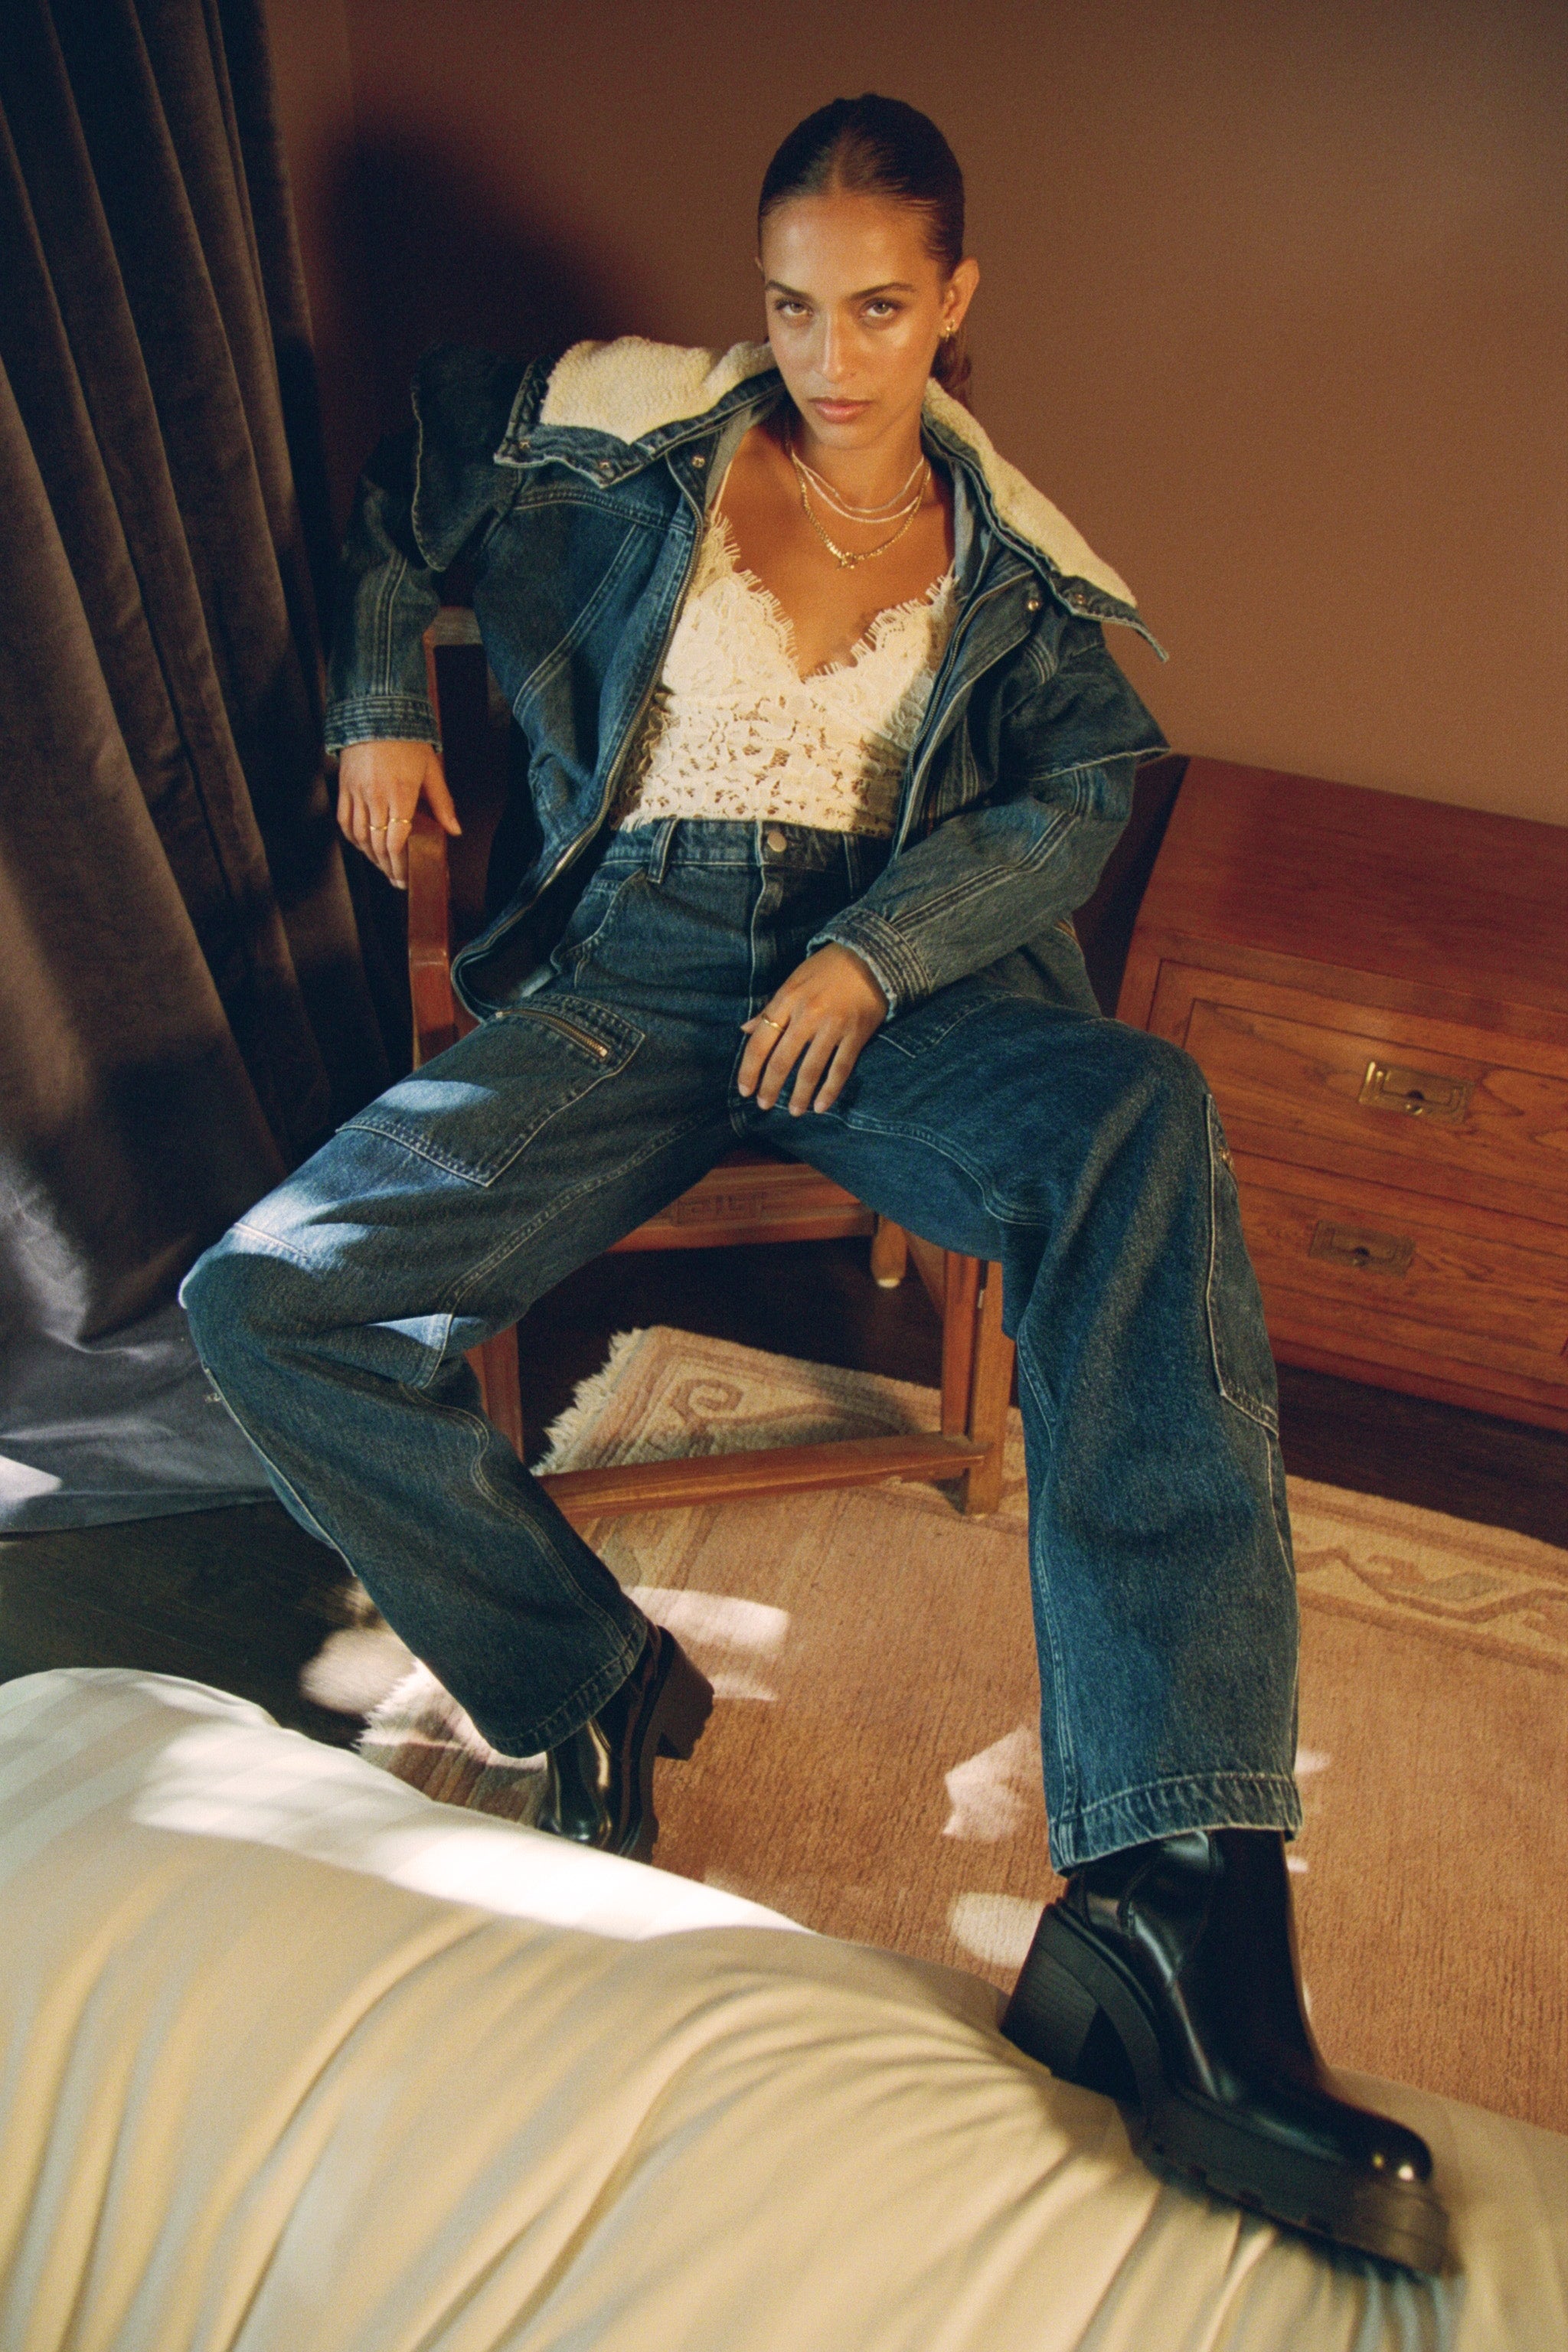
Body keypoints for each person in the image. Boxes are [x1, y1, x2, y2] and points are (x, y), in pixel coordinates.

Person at [181, 96, 1445, 2271]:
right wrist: (377, 699)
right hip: (634, 980)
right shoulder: (617, 441)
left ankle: (1172, 1898)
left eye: (878, 307)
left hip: (899, 990)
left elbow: (1078, 796)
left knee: (1138, 1112)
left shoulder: (1015, 562)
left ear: (955, 300)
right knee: (255, 1299)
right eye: (791, 303)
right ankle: (583, 1677)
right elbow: (412, 488)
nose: (831, 355)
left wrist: (878, 950)